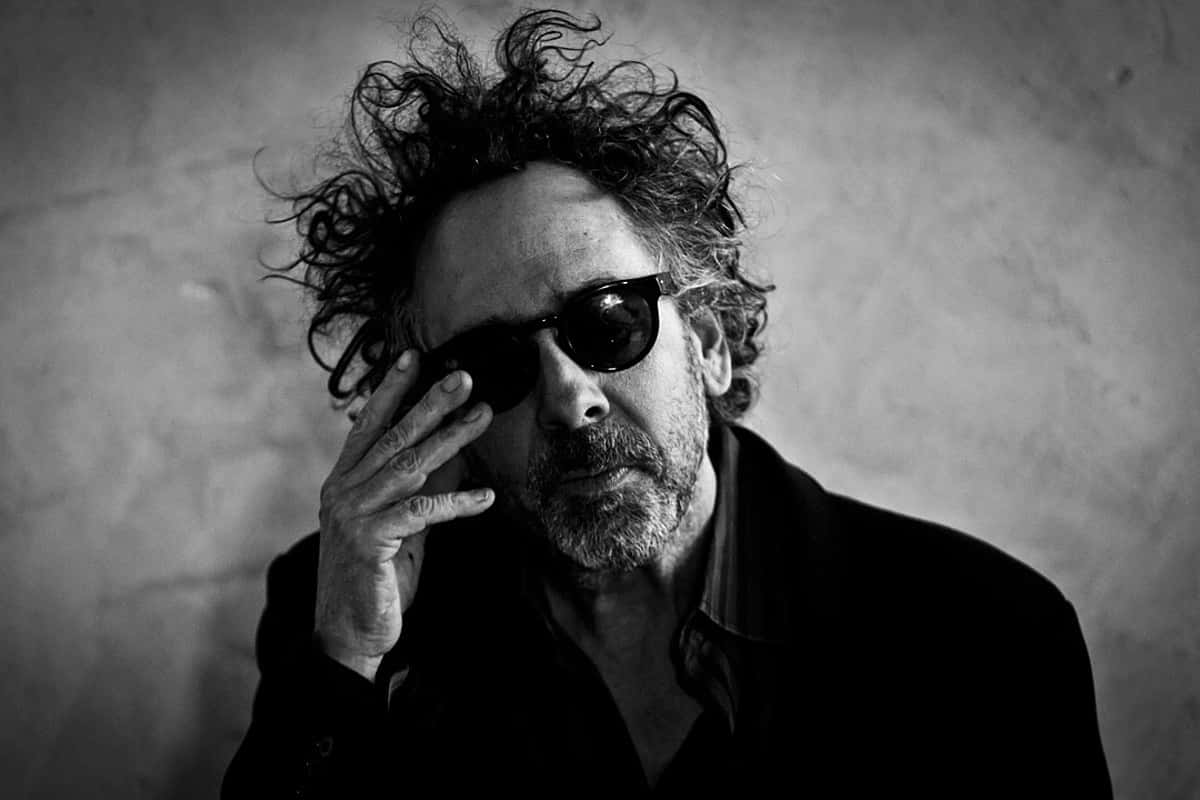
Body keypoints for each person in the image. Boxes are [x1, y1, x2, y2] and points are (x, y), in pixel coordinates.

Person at [223, 9, 1112, 797]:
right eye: (494, 363)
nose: (570, 400)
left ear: (710, 344)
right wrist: (344, 662)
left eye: (608, 323)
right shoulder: (349, 611)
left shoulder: (985, 636)